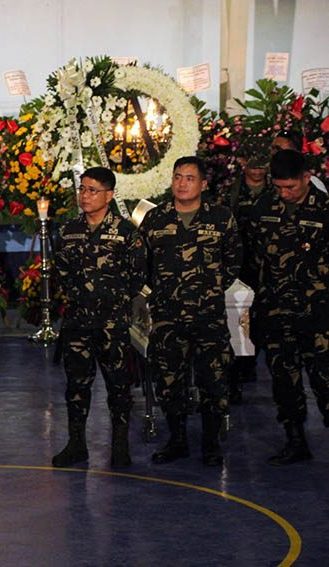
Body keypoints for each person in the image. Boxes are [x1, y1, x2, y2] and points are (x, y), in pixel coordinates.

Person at [139, 157, 242, 467]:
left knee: (213, 381)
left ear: (203, 184)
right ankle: (177, 439)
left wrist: (208, 289)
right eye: (178, 177)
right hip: (168, 315)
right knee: (169, 382)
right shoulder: (156, 219)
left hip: (208, 315)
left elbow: (234, 260)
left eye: (190, 178)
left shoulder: (221, 218)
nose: (182, 183)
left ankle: (210, 443)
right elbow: (142, 265)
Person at [51, 167, 145, 469]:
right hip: (78, 322)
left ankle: (120, 445)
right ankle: (76, 443)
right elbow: (61, 273)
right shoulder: (68, 231)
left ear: (109, 195)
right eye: (82, 188)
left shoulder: (127, 233)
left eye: (92, 190)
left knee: (118, 386)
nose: (85, 195)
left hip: (112, 324)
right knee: (76, 385)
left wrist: (113, 301)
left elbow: (137, 276)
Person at [244, 149, 329, 465]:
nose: (284, 193)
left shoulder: (324, 210)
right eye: (278, 187)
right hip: (277, 313)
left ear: (307, 177)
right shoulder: (263, 209)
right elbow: (254, 258)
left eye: (290, 187)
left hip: (320, 315)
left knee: (325, 381)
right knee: (284, 381)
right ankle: (295, 441)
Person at [223, 138, 273, 402]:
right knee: (238, 322)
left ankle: (251, 364)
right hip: (239, 269)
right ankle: (237, 372)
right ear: (242, 163)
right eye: (251, 164)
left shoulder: (275, 192)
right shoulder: (230, 193)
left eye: (261, 164)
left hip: (270, 269)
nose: (256, 170)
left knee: (261, 322)